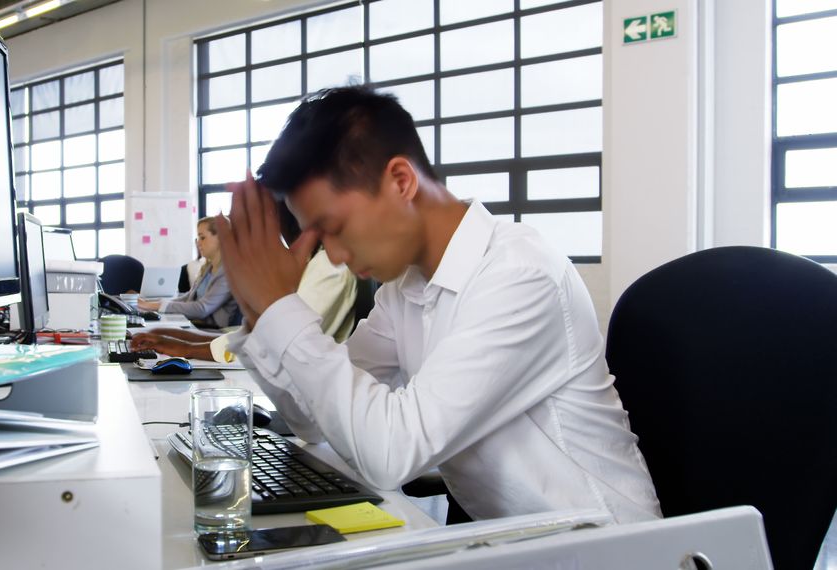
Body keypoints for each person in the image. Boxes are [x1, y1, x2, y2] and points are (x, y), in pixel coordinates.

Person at [213, 86, 661, 524]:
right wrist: (261, 313)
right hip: (511, 545)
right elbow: (312, 419)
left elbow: (392, 452)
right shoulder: (404, 288)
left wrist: (281, 308)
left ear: (401, 181)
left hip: (606, 548)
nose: (332, 255)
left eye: (332, 227)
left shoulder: (519, 275)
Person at [131, 203, 357, 361]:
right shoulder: (306, 264)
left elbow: (273, 341)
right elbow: (255, 336)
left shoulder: (329, 266)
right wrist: (177, 338)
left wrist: (188, 348)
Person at [138, 217, 239, 329]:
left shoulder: (228, 273)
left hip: (212, 331)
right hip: (196, 323)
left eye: (203, 237)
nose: (198, 243)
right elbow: (189, 297)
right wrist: (156, 303)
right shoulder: (208, 267)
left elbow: (202, 309)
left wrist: (156, 306)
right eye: (198, 238)